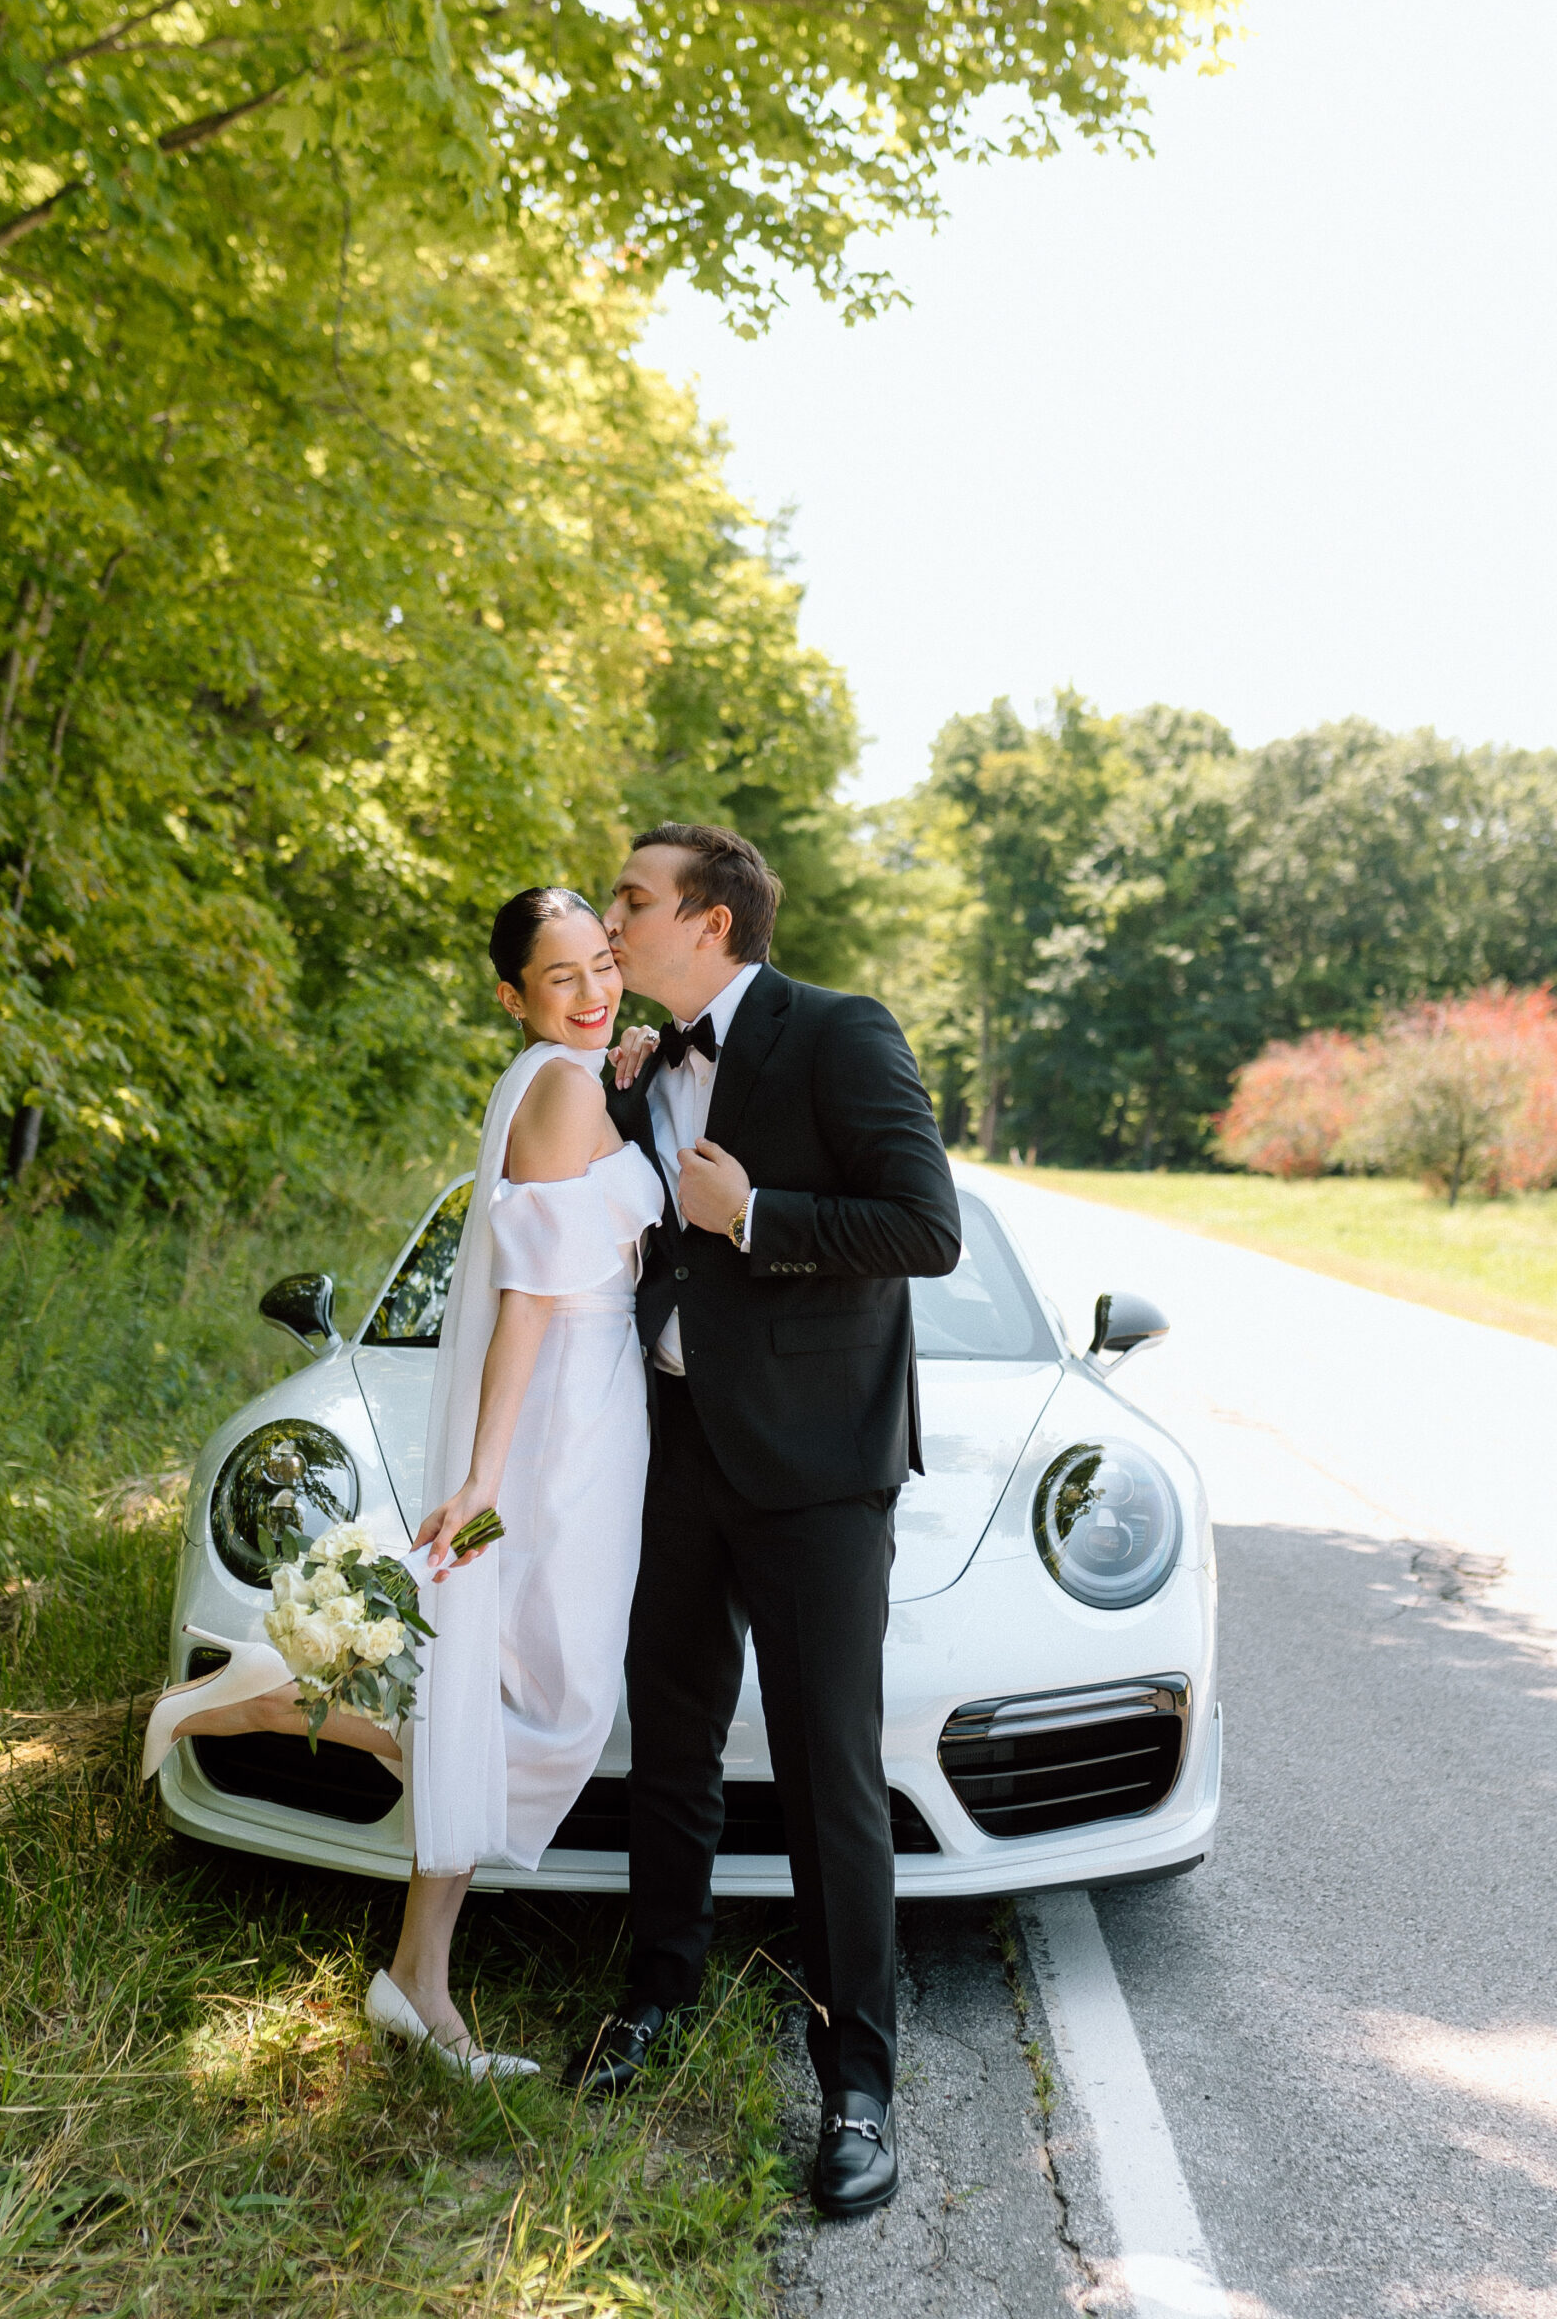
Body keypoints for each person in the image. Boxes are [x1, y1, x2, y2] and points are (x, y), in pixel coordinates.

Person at [142, 887, 662, 2077]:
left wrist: (624, 1081)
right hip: (562, 1427)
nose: (592, 994)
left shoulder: (557, 1079)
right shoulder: (562, 1085)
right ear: (512, 996)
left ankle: (417, 1979)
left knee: (499, 1692)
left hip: (587, 1411)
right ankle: (272, 1699)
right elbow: (531, 1293)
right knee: (559, 1712)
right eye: (561, 978)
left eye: (602, 967)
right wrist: (485, 1473)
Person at [570, 821, 960, 2219]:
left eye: (630, 898)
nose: (610, 919)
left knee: (825, 1775)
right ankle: (652, 2001)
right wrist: (623, 1107)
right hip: (672, 1452)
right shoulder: (636, 1065)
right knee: (668, 1745)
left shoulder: (841, 1032)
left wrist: (761, 1216)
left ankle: (857, 2082)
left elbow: (924, 1228)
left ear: (711, 923)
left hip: (815, 1472)